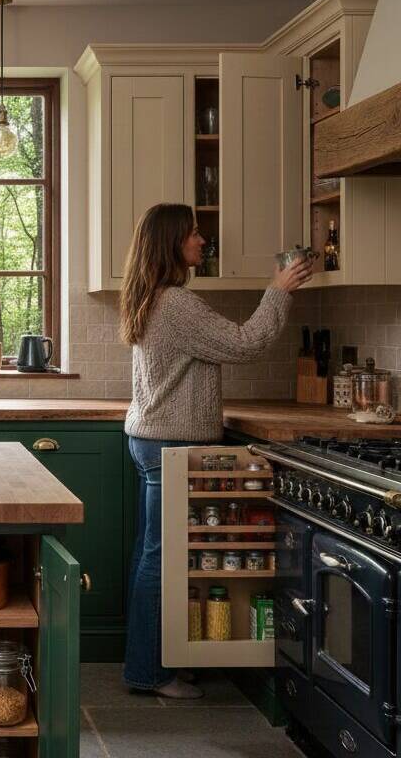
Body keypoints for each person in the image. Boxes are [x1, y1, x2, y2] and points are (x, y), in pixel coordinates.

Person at [118, 203, 312, 699]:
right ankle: (150, 673)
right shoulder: (178, 305)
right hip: (170, 442)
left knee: (149, 555)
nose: (203, 241)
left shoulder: (153, 297)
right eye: (194, 234)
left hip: (150, 438)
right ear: (171, 244)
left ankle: (149, 666)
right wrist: (279, 289)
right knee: (159, 560)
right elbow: (246, 342)